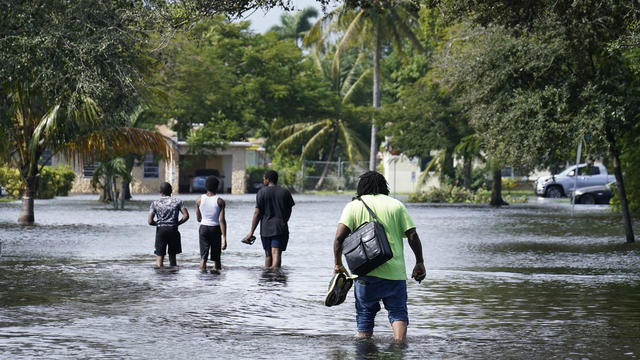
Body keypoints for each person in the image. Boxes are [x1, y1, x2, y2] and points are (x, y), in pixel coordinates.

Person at [333, 171, 425, 345]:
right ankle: (399, 348)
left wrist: (338, 264)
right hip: (394, 274)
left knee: (365, 315)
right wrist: (419, 262)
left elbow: (338, 239)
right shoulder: (396, 205)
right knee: (398, 312)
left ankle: (363, 352)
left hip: (364, 273)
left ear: (361, 187)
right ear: (384, 187)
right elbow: (412, 235)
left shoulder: (353, 206)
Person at [242, 170, 295, 269]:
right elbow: (289, 210)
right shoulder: (285, 192)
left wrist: (251, 232)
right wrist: (284, 221)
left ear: (268, 179)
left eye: (264, 179)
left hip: (265, 229)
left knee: (268, 255)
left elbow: (257, 213)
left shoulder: (261, 192)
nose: (263, 180)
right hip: (280, 228)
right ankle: (276, 278)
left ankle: (267, 279)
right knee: (276, 253)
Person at [148, 182, 189, 268]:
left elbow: (150, 221)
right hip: (173, 229)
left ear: (160, 192)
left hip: (161, 230)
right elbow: (186, 216)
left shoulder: (154, 203)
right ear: (171, 191)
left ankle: (160, 279)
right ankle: (172, 278)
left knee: (159, 258)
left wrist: (159, 224)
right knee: (172, 258)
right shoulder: (178, 201)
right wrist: (177, 223)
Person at [196, 176, 227, 271]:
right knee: (216, 258)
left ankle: (202, 276)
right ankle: (216, 280)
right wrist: (224, 238)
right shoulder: (220, 201)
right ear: (217, 187)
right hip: (215, 229)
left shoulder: (199, 200)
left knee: (203, 257)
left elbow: (198, 218)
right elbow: (222, 220)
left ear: (206, 187)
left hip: (203, 228)